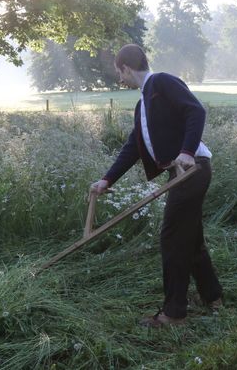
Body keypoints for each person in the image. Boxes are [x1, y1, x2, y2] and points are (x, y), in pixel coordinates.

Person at [90, 44, 222, 327]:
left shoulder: (161, 82)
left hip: (193, 169)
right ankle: (213, 297)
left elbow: (196, 111)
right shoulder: (143, 104)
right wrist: (107, 179)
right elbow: (133, 147)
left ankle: (174, 314)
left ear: (126, 67)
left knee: (172, 238)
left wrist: (186, 151)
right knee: (190, 237)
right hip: (182, 173)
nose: (120, 79)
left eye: (119, 73)